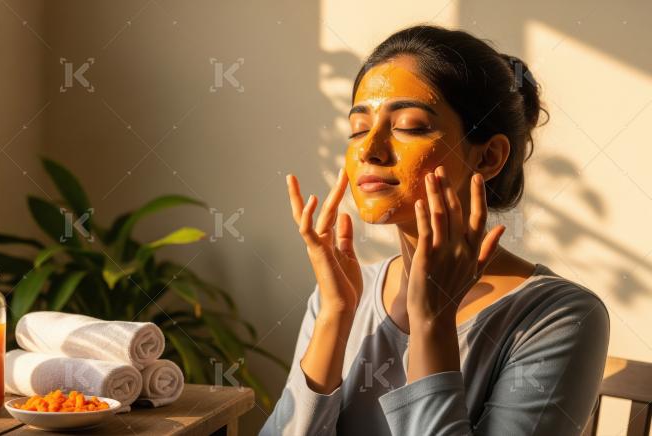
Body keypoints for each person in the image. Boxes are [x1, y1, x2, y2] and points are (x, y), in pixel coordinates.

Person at [260, 25, 609, 436]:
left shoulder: (558, 316)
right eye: (357, 128)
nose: (370, 149)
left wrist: (433, 324)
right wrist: (335, 317)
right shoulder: (342, 293)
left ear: (489, 156)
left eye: (409, 126)